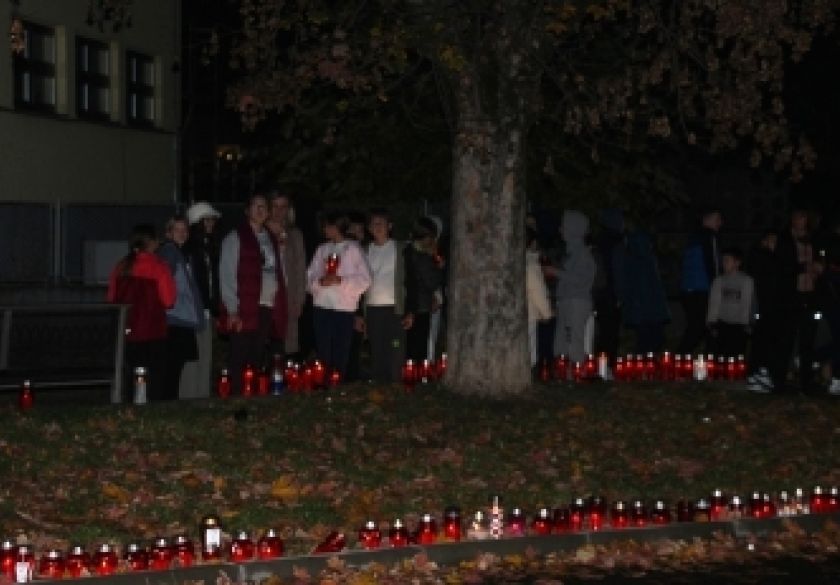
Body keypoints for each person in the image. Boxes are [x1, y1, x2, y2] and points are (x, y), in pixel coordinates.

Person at [219, 194, 288, 393]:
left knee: (257, 354)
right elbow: (227, 274)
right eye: (256, 206)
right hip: (244, 306)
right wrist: (232, 309)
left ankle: (254, 396)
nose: (261, 210)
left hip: (266, 305)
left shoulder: (270, 238)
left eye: (264, 206)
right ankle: (236, 397)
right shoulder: (235, 238)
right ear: (247, 211)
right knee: (239, 355)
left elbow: (277, 272)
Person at [107, 224, 175, 402]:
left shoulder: (121, 266)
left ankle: (132, 404)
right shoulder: (159, 266)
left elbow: (111, 298)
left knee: (131, 373)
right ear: (151, 243)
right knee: (155, 377)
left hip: (127, 332)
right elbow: (169, 300)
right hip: (153, 332)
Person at [306, 211, 371, 378]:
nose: (324, 229)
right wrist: (320, 283)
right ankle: (323, 383)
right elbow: (309, 277)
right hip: (321, 308)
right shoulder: (322, 249)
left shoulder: (353, 249)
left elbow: (365, 279)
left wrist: (340, 281)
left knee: (341, 351)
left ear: (337, 227)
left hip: (343, 310)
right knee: (324, 350)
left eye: (328, 225)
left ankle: (337, 383)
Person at [358, 208, 410, 384]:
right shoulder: (364, 251)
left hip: (395, 310)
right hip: (373, 309)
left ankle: (396, 383)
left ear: (390, 226)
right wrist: (359, 314)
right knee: (377, 348)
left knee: (396, 346)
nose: (377, 227)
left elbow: (412, 281)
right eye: (374, 224)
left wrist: (411, 311)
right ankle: (379, 384)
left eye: (381, 223)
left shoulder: (402, 249)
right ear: (369, 228)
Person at [157, 215, 205, 400]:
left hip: (179, 316)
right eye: (177, 230)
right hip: (176, 317)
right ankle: (169, 400)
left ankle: (170, 398)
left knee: (175, 365)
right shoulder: (170, 252)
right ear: (169, 233)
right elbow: (165, 280)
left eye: (185, 230)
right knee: (173, 365)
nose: (182, 233)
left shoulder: (179, 252)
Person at [774, 209, 819, 393]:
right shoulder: (785, 240)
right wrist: (801, 267)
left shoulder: (812, 239)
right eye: (798, 217)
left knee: (808, 340)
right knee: (787, 339)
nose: (800, 221)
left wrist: (818, 267)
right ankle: (779, 379)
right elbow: (782, 266)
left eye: (804, 218)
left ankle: (806, 382)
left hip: (811, 295)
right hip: (792, 296)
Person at [184, 201, 222, 397]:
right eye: (205, 220)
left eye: (211, 220)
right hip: (192, 312)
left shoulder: (209, 248)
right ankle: (189, 396)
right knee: (193, 357)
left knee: (205, 356)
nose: (210, 223)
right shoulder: (190, 250)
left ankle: (202, 395)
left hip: (206, 311)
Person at [265, 191, 307, 360]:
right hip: (266, 293)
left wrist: (299, 299)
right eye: (275, 206)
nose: (278, 211)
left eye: (283, 207)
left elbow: (300, 268)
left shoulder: (295, 234)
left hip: (288, 293)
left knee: (287, 339)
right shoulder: (261, 232)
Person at [616, 229, 670, 354]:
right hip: (647, 310)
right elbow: (647, 287)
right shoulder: (643, 260)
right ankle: (643, 367)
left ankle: (644, 366)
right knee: (649, 341)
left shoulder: (639, 259)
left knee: (649, 341)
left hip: (645, 310)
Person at [554, 210, 596, 367]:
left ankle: (576, 374)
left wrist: (556, 272)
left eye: (564, 227)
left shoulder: (583, 255)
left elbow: (580, 280)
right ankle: (564, 373)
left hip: (577, 302)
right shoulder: (571, 254)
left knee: (574, 342)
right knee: (562, 342)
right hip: (568, 301)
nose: (560, 231)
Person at [678, 207, 723, 354]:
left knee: (699, 325)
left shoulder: (692, 238)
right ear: (707, 220)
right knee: (704, 325)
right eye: (717, 219)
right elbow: (714, 264)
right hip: (703, 289)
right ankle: (681, 357)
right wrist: (717, 287)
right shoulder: (710, 237)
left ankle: (704, 358)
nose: (720, 223)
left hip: (688, 289)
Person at [404, 216, 445, 362]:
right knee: (419, 345)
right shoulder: (421, 256)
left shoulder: (407, 250)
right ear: (426, 237)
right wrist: (439, 268)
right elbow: (432, 281)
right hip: (421, 305)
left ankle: (414, 372)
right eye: (432, 237)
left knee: (411, 343)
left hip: (410, 303)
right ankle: (417, 375)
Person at [745, 229, 781, 393]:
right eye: (772, 241)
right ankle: (756, 373)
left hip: (768, 306)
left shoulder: (768, 258)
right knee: (762, 339)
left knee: (765, 339)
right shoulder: (761, 257)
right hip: (762, 305)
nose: (775, 245)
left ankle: (760, 373)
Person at [706, 247, 755, 360]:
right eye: (723, 260)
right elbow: (714, 303)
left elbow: (746, 304)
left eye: (727, 260)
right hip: (722, 324)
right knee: (719, 357)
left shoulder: (746, 281)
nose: (724, 263)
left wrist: (746, 325)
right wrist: (711, 322)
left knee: (735, 357)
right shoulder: (719, 280)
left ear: (737, 263)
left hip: (738, 326)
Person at [592, 208, 625, 362]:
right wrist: (619, 295)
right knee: (610, 332)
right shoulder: (616, 242)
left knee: (604, 332)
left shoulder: (599, 241)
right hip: (610, 294)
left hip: (599, 292)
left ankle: (601, 363)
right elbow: (618, 270)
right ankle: (607, 365)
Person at [526, 227, 553, 368]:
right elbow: (537, 290)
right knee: (529, 347)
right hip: (529, 313)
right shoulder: (530, 264)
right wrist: (546, 312)